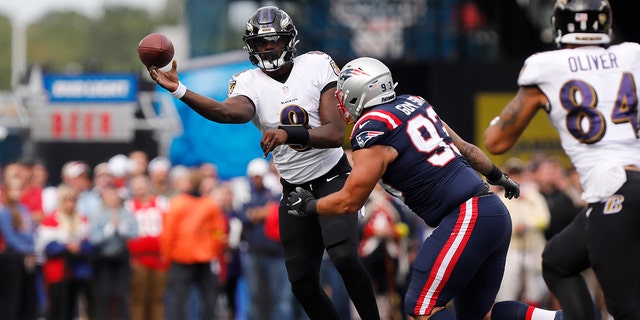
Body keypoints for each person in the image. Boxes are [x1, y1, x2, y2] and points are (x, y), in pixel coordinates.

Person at [285, 57, 564, 320]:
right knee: (479, 314)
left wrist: (310, 205)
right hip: (491, 211)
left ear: (360, 91)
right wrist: (499, 176)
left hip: (466, 217)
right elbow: (465, 148)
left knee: (421, 306)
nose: (342, 100)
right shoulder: (414, 103)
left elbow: (350, 200)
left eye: (344, 92)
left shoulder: (371, 128)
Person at [148, 6, 380, 320]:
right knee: (301, 283)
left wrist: (286, 133)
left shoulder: (316, 64)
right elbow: (229, 112)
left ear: (289, 41)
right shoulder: (248, 81)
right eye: (261, 43)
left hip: (332, 177)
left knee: (343, 255)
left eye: (274, 41)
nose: (268, 48)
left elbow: (335, 134)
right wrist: (179, 89)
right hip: (294, 189)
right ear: (251, 47)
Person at [483, 0, 640, 318]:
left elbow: (496, 142)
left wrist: (495, 124)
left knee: (627, 311)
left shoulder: (547, 65)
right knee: (558, 260)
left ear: (559, 25)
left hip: (613, 191)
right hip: (627, 184)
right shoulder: (633, 54)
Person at [160, 168, 226, 320]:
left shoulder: (177, 204)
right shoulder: (210, 205)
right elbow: (218, 232)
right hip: (204, 258)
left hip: (180, 258)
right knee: (208, 299)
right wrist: (214, 250)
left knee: (178, 299)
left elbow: (169, 233)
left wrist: (167, 255)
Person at [89, 184, 139, 320]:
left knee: (122, 294)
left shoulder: (125, 213)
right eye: (108, 195)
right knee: (104, 295)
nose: (111, 198)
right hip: (103, 258)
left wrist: (122, 230)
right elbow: (93, 239)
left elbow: (135, 233)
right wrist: (109, 230)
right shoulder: (97, 214)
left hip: (121, 256)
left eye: (114, 195)